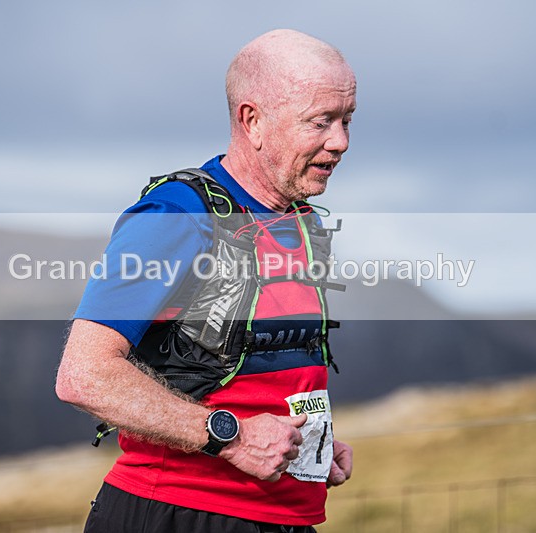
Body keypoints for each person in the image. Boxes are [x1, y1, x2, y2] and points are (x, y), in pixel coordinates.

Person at [56, 28, 356, 533]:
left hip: (285, 519)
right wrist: (233, 437)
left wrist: (310, 446)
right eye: (320, 122)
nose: (341, 141)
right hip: (176, 514)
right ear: (252, 120)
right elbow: (84, 376)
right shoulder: (177, 213)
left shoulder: (304, 220)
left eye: (347, 120)